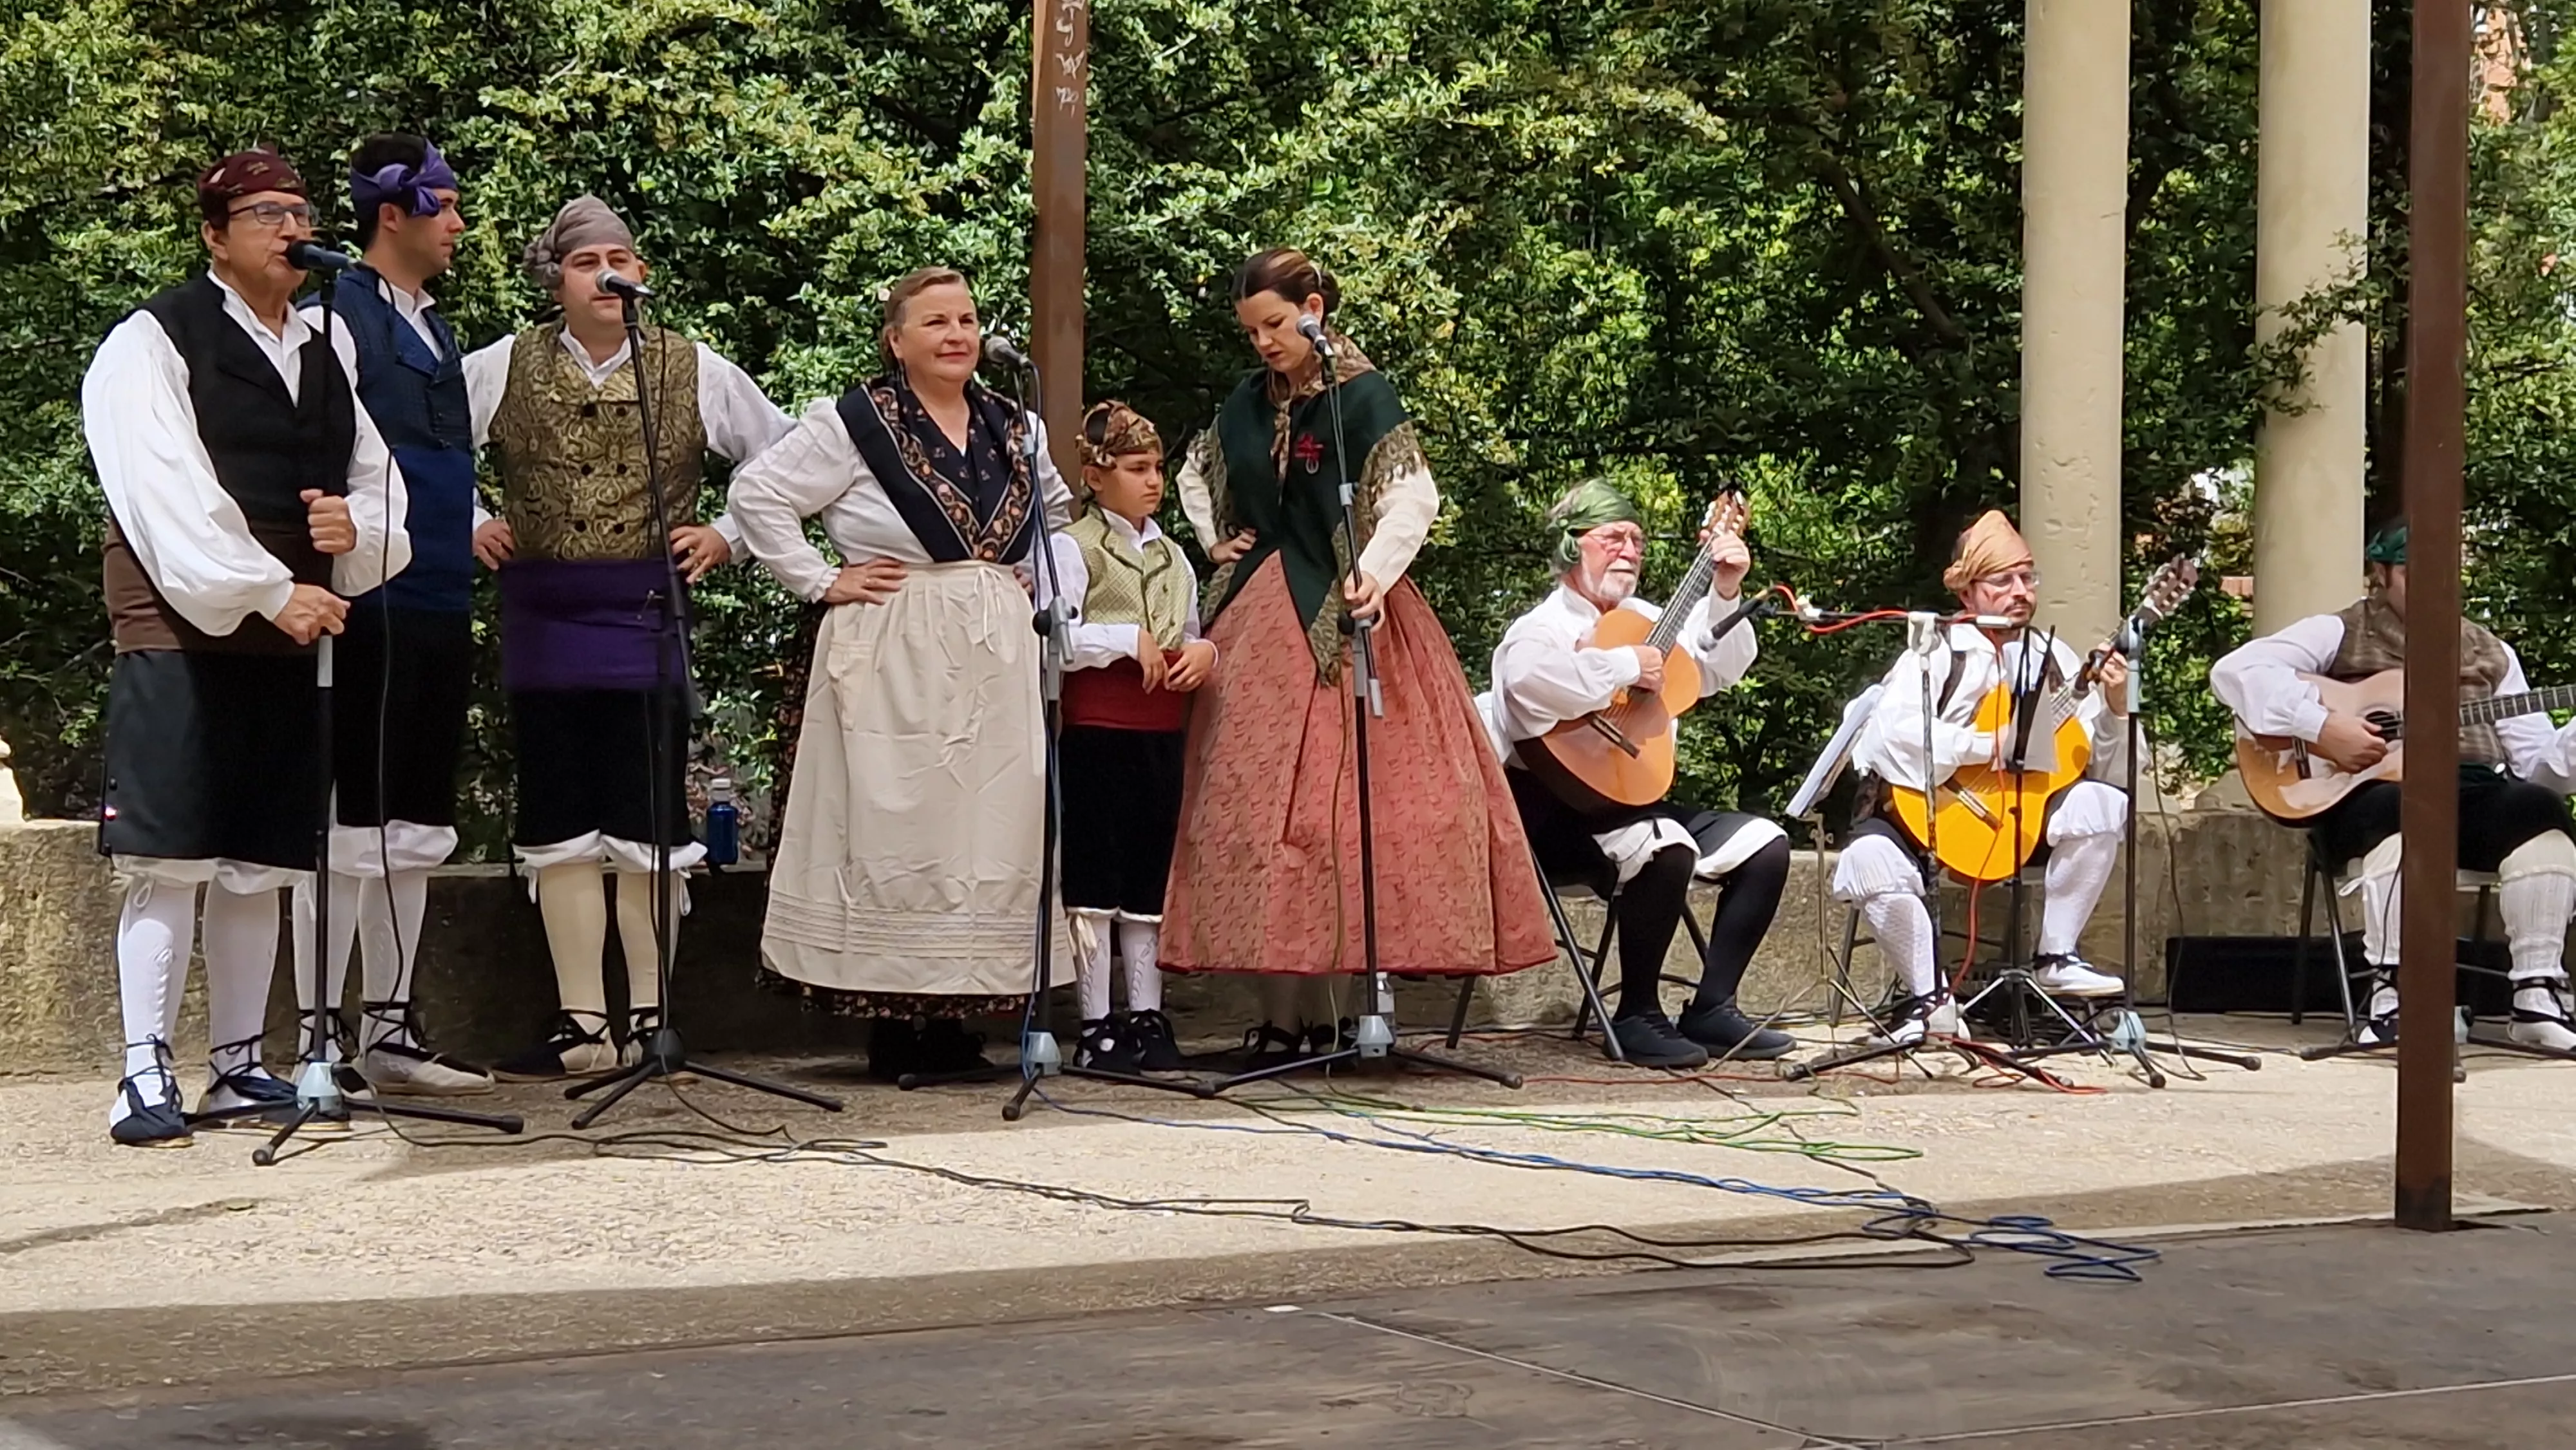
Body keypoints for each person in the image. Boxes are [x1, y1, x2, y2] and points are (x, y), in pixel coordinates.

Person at [83, 148, 412, 1145]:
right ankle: (144, 1070)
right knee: (173, 852)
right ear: (214, 235)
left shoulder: (328, 342)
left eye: (299, 210)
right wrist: (270, 590)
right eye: (263, 212)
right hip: (185, 622)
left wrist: (356, 533)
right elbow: (164, 491)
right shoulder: (152, 337)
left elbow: (374, 475)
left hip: (291, 619)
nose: (287, 226)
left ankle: (238, 1064)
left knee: (260, 860)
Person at [1162, 248, 1553, 1056]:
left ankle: (1342, 1011)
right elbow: (1195, 471)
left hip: (1351, 608)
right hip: (1258, 614)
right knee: (1254, 810)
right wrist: (1216, 541)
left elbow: (1412, 492)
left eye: (1274, 325)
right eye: (1252, 331)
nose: (1264, 343)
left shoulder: (1361, 396)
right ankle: (1278, 1016)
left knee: (1347, 815)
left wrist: (1372, 573)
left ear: (1312, 308)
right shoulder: (1243, 402)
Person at [465, 195, 793, 1079]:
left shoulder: (694, 368)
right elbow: (410, 449)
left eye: (623, 259)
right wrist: (468, 518)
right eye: (587, 261)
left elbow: (787, 457)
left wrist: (731, 533)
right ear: (557, 277)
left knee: (647, 813)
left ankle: (651, 1019)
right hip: (543, 609)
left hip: (647, 607)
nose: (609, 274)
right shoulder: (502, 366)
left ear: (640, 275)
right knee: (561, 810)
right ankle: (582, 1025)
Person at [726, 266, 1075, 1080]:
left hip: (992, 652)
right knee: (900, 827)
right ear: (896, 339)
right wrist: (821, 578)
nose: (956, 334)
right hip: (895, 643)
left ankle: (957, 1023)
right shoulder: (854, 421)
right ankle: (897, 1027)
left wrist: (1031, 574)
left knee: (981, 835)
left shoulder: (1013, 424)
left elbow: (1056, 515)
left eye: (966, 319)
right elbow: (758, 493)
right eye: (934, 322)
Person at [287, 133, 491, 1096]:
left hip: (440, 587)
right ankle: (319, 1033)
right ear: (394, 211)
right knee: (348, 817)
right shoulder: (337, 316)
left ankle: (394, 1024)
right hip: (367, 593)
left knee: (413, 813)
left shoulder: (435, 325)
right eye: (444, 204)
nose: (458, 223)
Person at [2211, 522, 2576, 1050]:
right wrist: (2321, 727)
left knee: (2538, 809)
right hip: (2367, 796)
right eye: (2412, 572)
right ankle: (2396, 992)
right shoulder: (2338, 631)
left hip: (2470, 793)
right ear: (2381, 575)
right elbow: (2236, 671)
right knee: (2401, 812)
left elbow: (2541, 765)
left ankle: (2536, 994)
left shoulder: (2491, 652)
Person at [1481, 480, 1797, 1068]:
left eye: (1637, 540)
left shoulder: (1651, 618)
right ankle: (1637, 1014)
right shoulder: (1541, 626)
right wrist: (1624, 665)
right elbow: (1524, 686)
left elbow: (1717, 670)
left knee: (1766, 844)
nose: (1628, 550)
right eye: (1612, 538)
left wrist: (1725, 589)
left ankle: (1713, 1006)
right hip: (1556, 818)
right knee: (1665, 843)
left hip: (1634, 804)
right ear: (1572, 546)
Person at [1830, 511, 2130, 1044]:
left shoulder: (2053, 659)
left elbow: (2103, 764)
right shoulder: (1938, 649)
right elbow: (1892, 736)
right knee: (1866, 861)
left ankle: (2056, 956)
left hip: (2021, 824)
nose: (2021, 592)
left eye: (2027, 577)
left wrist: (2113, 707)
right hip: (1927, 817)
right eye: (2003, 581)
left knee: (2104, 804)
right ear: (1968, 593)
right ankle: (1932, 1003)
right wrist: (1986, 746)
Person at [1042, 401, 1215, 1073]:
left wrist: (1206, 654)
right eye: (1136, 468)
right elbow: (1056, 635)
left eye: (1158, 468)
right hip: (1097, 729)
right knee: (1094, 877)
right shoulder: (1072, 546)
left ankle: (1146, 1011)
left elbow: (1192, 626)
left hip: (1158, 730)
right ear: (1094, 474)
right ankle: (1095, 1019)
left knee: (1147, 877)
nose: (1153, 481)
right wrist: (1120, 639)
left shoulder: (1173, 555)